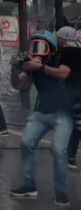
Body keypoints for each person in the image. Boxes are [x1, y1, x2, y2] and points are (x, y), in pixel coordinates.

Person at [9, 30, 73, 206]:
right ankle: (29, 185)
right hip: (40, 113)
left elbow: (63, 73)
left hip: (63, 113)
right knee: (25, 143)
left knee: (59, 150)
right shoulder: (32, 66)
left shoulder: (61, 59)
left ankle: (61, 193)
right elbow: (17, 84)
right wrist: (14, 67)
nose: (36, 49)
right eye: (34, 45)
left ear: (50, 47)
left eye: (41, 45)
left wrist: (41, 67)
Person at [56, 26, 81, 170]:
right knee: (77, 127)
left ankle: (69, 157)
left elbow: (62, 73)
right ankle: (70, 157)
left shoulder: (65, 53)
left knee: (72, 125)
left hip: (73, 94)